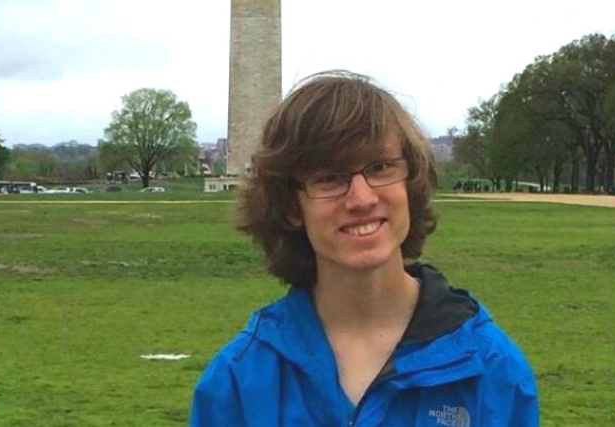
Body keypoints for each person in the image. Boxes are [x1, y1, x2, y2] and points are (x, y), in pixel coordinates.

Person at [189, 71, 538, 427]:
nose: (361, 199)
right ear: (292, 206)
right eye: (329, 177)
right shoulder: (238, 382)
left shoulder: (492, 370)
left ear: (410, 182)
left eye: (380, 167)